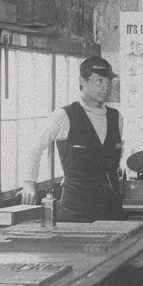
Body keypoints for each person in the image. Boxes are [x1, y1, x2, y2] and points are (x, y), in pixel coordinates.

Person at [21, 56, 124, 222]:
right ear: (82, 81)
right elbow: (34, 148)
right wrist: (29, 183)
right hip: (76, 209)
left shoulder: (116, 118)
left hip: (110, 208)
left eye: (108, 81)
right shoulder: (63, 116)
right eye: (99, 80)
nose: (105, 87)